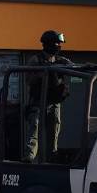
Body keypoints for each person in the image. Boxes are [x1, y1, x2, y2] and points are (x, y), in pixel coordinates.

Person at [25, 30, 72, 162]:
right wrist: (44, 73)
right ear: (48, 44)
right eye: (56, 43)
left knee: (54, 129)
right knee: (35, 127)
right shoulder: (36, 60)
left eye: (59, 43)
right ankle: (30, 155)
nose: (58, 46)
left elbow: (73, 66)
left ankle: (52, 156)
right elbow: (28, 80)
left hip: (53, 102)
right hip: (38, 101)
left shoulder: (60, 60)